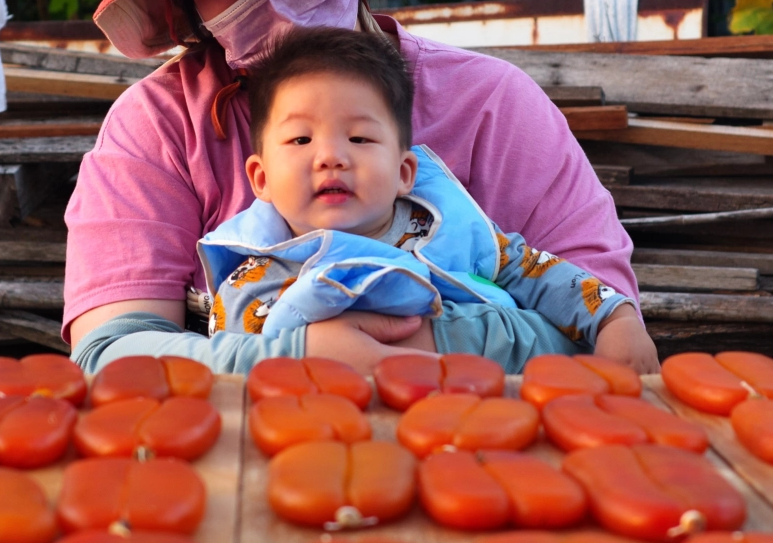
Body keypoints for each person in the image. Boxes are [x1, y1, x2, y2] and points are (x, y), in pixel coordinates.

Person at [63, 0, 658, 376]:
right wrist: (291, 359)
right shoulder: (161, 128)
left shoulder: (491, 106)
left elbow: (608, 331)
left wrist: (434, 341)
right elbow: (111, 354)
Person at [199, 27, 634, 348]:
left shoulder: (453, 228)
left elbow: (541, 274)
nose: (331, 157)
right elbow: (234, 374)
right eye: (301, 140)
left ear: (405, 171)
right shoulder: (250, 282)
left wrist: (614, 320)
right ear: (261, 179)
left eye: (359, 139)